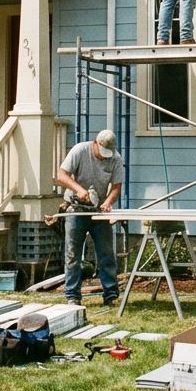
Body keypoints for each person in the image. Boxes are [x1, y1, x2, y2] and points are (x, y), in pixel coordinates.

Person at [55, 129, 125, 307]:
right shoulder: (80, 150)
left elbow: (116, 186)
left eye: (107, 154)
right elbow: (61, 175)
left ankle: (110, 295)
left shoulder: (115, 158)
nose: (103, 157)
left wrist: (108, 202)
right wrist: (78, 189)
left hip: (98, 210)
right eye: (101, 153)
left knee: (106, 253)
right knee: (73, 254)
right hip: (76, 209)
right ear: (95, 143)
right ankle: (72, 295)